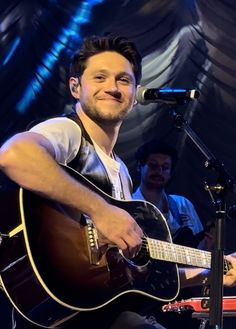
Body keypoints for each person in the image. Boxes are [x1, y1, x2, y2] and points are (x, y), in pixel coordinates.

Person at [0, 34, 236, 329]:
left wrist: (209, 271)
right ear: (75, 87)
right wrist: (101, 211)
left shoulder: (121, 171)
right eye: (99, 77)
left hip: (94, 310)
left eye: (124, 80)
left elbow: (132, 277)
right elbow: (13, 155)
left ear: (135, 92)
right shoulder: (68, 131)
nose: (112, 87)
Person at [132, 140, 210, 249]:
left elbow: (198, 249)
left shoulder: (183, 204)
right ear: (139, 166)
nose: (159, 171)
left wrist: (208, 246)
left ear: (171, 172)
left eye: (165, 167)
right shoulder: (129, 206)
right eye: (153, 165)